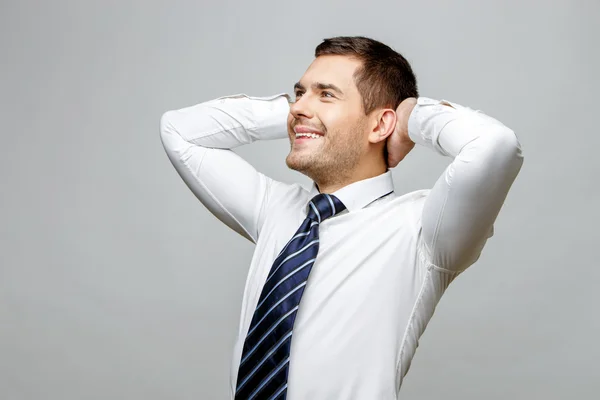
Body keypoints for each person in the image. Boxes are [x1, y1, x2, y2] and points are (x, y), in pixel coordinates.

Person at [159, 36, 524, 400]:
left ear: (381, 124)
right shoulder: (275, 210)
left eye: (326, 94)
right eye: (300, 92)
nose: (301, 105)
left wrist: (411, 117)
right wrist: (292, 115)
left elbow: (495, 146)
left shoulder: (424, 231)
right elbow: (179, 131)